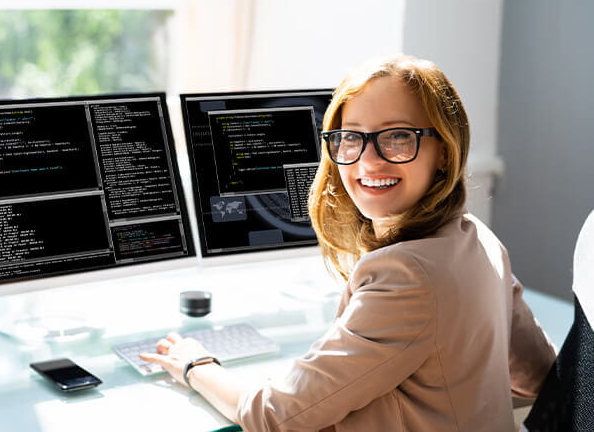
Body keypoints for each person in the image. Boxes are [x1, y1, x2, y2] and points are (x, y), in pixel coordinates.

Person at [140, 55, 557, 431]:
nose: (368, 160)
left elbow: (273, 416)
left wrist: (195, 363)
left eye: (398, 137)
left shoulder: (407, 275)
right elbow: (538, 375)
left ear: (444, 151)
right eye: (351, 137)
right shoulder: (477, 238)